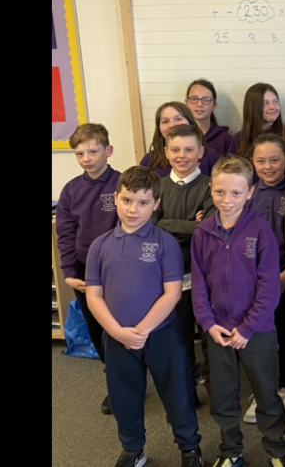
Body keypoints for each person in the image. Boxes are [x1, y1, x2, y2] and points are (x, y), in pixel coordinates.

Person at [84, 166, 203, 467]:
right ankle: (133, 448)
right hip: (117, 337)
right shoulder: (99, 246)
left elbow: (172, 294)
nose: (133, 209)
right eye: (126, 200)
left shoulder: (165, 243)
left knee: (177, 395)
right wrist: (118, 332)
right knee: (123, 398)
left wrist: (141, 330)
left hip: (161, 335)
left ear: (156, 204)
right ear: (116, 198)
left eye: (143, 202)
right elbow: (94, 296)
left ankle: (190, 448)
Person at [190, 155, 285, 467]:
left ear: (250, 192)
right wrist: (208, 323)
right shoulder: (202, 232)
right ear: (211, 190)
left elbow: (269, 287)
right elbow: (198, 285)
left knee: (266, 392)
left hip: (256, 331)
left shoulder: (260, 230)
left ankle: (277, 450)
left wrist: (248, 327)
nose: (227, 200)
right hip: (218, 331)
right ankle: (230, 451)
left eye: (236, 193)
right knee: (223, 395)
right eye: (220, 192)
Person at [56, 123, 120, 415]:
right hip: (85, 271)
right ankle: (114, 378)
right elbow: (66, 233)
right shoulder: (71, 190)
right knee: (97, 328)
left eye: (93, 151)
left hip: (117, 269)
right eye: (80, 154)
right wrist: (69, 271)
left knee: (119, 325)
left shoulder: (122, 183)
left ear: (108, 150)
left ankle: (131, 376)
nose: (86, 158)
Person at [149, 124, 216, 407]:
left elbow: (208, 230)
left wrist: (168, 224)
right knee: (181, 336)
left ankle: (216, 389)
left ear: (201, 152)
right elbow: (149, 225)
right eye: (175, 149)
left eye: (189, 149)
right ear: (165, 152)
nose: (182, 155)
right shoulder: (158, 187)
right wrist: (191, 224)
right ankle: (187, 389)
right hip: (170, 277)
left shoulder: (212, 186)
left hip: (204, 274)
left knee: (211, 337)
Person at [241, 134, 285, 425]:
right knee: (260, 337)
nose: (268, 166)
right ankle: (263, 389)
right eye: (261, 161)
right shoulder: (248, 192)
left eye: (275, 160)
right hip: (255, 281)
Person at [140, 101, 222, 177]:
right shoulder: (148, 161)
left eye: (178, 119)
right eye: (165, 121)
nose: (172, 125)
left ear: (190, 122)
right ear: (159, 128)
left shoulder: (211, 157)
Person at [231, 83, 285, 159]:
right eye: (265, 103)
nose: (272, 107)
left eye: (275, 102)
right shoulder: (238, 140)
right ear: (252, 107)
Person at [186, 78, 234, 156]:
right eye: (194, 99)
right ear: (187, 103)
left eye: (206, 100)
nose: (199, 104)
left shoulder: (225, 139)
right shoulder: (179, 136)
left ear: (214, 106)